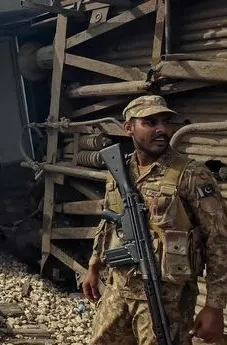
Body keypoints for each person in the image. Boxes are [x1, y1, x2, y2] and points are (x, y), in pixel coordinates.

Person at [82, 95, 227, 345]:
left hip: (166, 298)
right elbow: (109, 222)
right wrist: (94, 265)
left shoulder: (192, 174)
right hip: (119, 287)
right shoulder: (120, 170)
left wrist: (214, 305)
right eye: (150, 122)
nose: (162, 129)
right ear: (129, 128)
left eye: (165, 122)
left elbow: (219, 240)